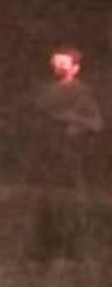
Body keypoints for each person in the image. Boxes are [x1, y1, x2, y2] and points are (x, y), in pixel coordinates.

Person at [31, 45, 105, 261]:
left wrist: (72, 120)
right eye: (56, 62)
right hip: (48, 153)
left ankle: (73, 248)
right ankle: (46, 247)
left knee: (70, 200)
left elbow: (95, 123)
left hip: (69, 155)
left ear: (75, 68)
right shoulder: (47, 91)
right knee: (47, 199)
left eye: (63, 63)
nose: (58, 67)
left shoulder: (81, 92)